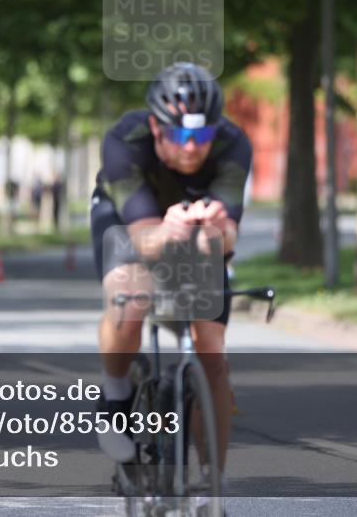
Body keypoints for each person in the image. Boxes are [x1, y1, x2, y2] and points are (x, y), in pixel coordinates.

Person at [91, 63, 252, 474]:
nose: (192, 147)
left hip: (194, 229)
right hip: (130, 218)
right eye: (181, 134)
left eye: (202, 135)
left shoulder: (233, 143)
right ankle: (115, 394)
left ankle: (211, 486)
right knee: (131, 293)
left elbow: (229, 234)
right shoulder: (124, 142)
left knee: (212, 351)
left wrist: (218, 229)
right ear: (156, 127)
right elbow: (144, 238)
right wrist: (167, 230)